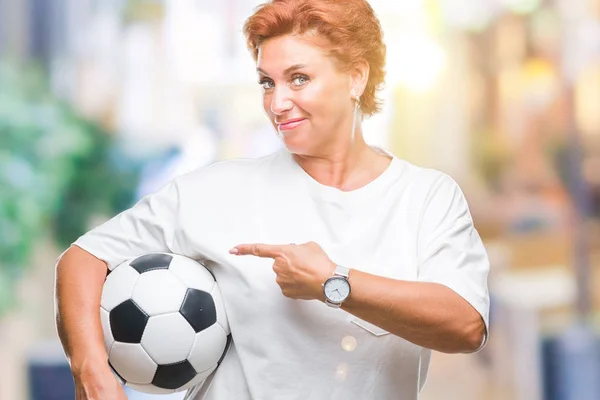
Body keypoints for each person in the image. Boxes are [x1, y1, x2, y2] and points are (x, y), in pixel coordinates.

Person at [54, 1, 490, 399]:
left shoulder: (426, 198)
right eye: (267, 82)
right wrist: (91, 369)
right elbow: (83, 257)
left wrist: (334, 283)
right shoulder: (214, 191)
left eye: (299, 78)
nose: (277, 103)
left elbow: (466, 325)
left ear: (356, 77)